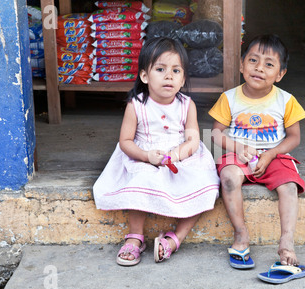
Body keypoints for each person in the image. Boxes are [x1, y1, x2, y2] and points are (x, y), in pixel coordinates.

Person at [93, 37, 220, 266]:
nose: (169, 76)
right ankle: (135, 236)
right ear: (144, 76)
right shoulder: (137, 105)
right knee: (141, 178)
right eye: (160, 69)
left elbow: (193, 138)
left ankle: (174, 239)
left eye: (176, 70)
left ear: (183, 79)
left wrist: (179, 154)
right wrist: (145, 156)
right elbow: (125, 141)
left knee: (207, 185)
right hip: (144, 155)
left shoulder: (186, 105)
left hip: (180, 155)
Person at [209, 34, 305, 274]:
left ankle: (286, 242)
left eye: (269, 64)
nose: (259, 68)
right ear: (242, 65)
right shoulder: (229, 98)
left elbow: (294, 137)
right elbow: (213, 134)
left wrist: (272, 153)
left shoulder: (286, 101)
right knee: (229, 177)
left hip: (273, 156)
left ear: (280, 74)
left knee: (289, 186)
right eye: (253, 60)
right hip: (238, 155)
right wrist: (238, 148)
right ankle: (241, 235)